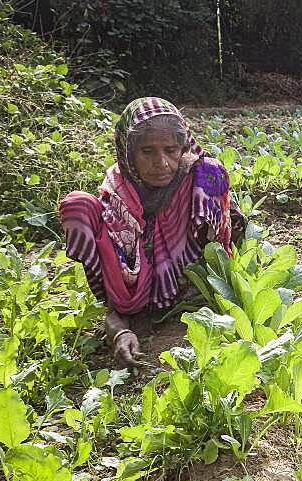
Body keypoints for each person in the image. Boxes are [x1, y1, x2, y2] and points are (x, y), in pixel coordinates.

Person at [59, 97, 243, 368]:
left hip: (189, 285)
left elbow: (226, 236)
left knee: (212, 170)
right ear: (128, 153)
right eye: (147, 152)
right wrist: (119, 329)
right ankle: (131, 309)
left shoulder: (198, 178)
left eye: (170, 150)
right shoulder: (118, 192)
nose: (162, 163)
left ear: (182, 148)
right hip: (134, 295)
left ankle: (186, 290)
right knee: (78, 205)